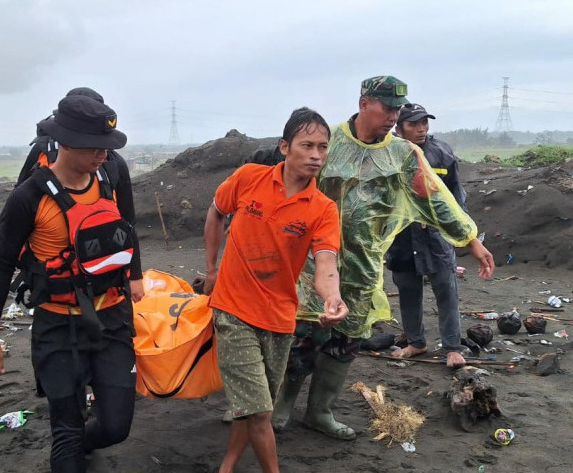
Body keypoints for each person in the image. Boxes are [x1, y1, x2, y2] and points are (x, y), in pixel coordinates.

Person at [272, 76, 494, 440]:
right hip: (311, 260)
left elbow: (435, 198)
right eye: (387, 108)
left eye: (397, 109)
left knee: (346, 340)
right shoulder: (330, 143)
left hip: (362, 264)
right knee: (303, 336)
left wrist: (470, 240)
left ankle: (320, 412)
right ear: (364, 104)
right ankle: (282, 406)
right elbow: (291, 181)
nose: (394, 116)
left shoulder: (403, 154)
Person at [0, 94, 144, 472]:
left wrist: (135, 277)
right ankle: (68, 450)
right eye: (94, 148)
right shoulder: (29, 196)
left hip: (112, 320)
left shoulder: (108, 178)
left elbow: (128, 232)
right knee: (66, 430)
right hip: (58, 325)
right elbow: (2, 266)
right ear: (64, 142)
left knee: (116, 425)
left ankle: (80, 444)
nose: (104, 155)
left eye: (107, 147)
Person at [204, 107, 348, 473]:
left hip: (280, 317)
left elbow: (326, 262)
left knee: (252, 405)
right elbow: (216, 211)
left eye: (323, 147)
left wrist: (332, 297)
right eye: (307, 145)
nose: (316, 155)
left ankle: (227, 465)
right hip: (233, 310)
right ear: (285, 147)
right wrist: (211, 268)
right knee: (261, 410)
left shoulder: (323, 209)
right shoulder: (249, 178)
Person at [0, 87, 136, 273]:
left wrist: (134, 275)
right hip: (56, 265)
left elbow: (127, 219)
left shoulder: (112, 163)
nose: (100, 154)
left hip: (102, 263)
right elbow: (17, 198)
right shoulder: (41, 153)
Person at [387, 103, 468, 368]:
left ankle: (452, 348)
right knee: (408, 290)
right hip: (402, 236)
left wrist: (462, 231)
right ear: (399, 128)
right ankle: (416, 342)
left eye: (424, 122)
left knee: (446, 290)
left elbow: (456, 195)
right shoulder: (388, 154)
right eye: (413, 124)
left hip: (436, 236)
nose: (421, 128)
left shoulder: (441, 153)